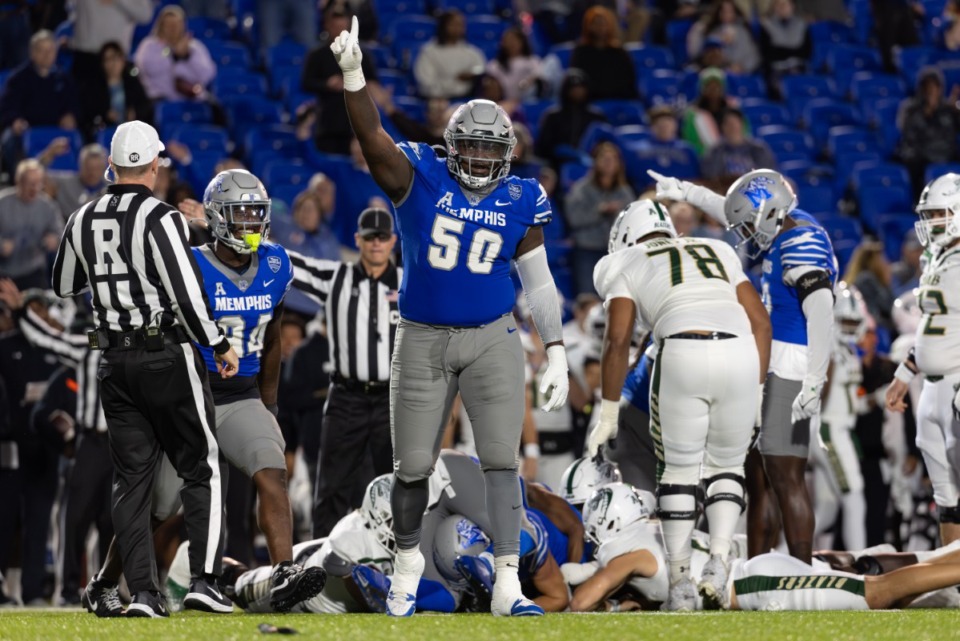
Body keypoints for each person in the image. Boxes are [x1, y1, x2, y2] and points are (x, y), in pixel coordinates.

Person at [331, 17, 570, 617]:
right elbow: (374, 140)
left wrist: (558, 348)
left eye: (494, 151)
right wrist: (355, 76)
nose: (483, 161)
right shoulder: (422, 174)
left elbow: (538, 283)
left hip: (493, 337)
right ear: (451, 145)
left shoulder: (522, 196)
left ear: (509, 154)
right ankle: (407, 563)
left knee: (501, 461)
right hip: (422, 336)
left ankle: (509, 581)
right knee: (411, 468)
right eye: (473, 147)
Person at [50, 120, 240, 618]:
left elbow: (64, 284)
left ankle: (146, 596)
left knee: (131, 481)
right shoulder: (162, 218)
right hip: (165, 354)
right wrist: (217, 342)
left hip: (113, 359)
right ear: (154, 166)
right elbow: (185, 292)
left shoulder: (81, 217)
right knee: (201, 465)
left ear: (112, 166)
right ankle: (204, 579)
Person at [587, 198, 771, 609]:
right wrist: (757, 392)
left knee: (679, 472)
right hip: (741, 351)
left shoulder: (623, 261)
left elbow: (617, 340)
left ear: (623, 240)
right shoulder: (717, 248)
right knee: (727, 465)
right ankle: (720, 562)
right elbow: (760, 322)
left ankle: (681, 583)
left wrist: (609, 410)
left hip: (683, 350)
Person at [648, 168, 837, 564]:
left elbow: (821, 312)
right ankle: (756, 570)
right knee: (759, 480)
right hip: (770, 358)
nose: (746, 235)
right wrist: (687, 190)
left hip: (793, 363)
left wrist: (814, 381)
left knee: (786, 477)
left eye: (751, 225)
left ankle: (803, 574)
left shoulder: (803, 241)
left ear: (771, 214)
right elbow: (733, 210)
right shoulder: (788, 221)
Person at [286, 207, 400, 538]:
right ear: (358, 240)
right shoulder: (337, 277)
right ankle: (322, 568)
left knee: (397, 488)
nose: (376, 244)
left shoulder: (409, 284)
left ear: (392, 241)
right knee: (331, 487)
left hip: (392, 400)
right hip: (346, 397)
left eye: (382, 237)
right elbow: (288, 261)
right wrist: (233, 231)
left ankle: (397, 567)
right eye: (369, 238)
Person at [0, 280, 110, 606]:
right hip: (93, 440)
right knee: (75, 519)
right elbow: (52, 338)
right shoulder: (98, 340)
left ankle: (116, 588)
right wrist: (21, 311)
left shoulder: (149, 338)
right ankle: (68, 591)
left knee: (117, 521)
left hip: (130, 444)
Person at [886, 173, 960, 547]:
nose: (931, 223)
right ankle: (954, 579)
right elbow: (932, 325)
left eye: (938, 215)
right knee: (947, 499)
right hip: (930, 388)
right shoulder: (936, 258)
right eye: (929, 215)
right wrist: (904, 372)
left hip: (957, 383)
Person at [811, 283, 868, 551]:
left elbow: (850, 402)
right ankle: (861, 563)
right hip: (829, 429)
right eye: (844, 320)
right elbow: (821, 391)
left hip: (840, 427)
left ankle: (791, 557)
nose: (848, 327)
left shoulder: (848, 352)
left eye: (852, 322)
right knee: (854, 497)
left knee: (827, 510)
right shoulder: (830, 347)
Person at [302, 4, 381, 155]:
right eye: (335, 26)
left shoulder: (361, 54)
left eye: (342, 26)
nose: (339, 30)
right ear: (327, 26)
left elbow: (373, 83)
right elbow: (306, 82)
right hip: (328, 123)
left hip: (356, 124)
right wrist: (327, 84)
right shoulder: (317, 55)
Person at [565, 142, 636, 296]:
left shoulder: (625, 192)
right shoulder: (581, 189)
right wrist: (599, 211)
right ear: (595, 162)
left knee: (616, 297)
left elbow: (632, 222)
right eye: (604, 159)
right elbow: (574, 219)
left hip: (615, 253)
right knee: (587, 297)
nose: (609, 163)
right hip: (587, 250)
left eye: (613, 159)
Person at [0, 158, 63, 289]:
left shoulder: (48, 206)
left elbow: (61, 235)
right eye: (30, 184)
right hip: (3, 271)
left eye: (38, 184)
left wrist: (54, 240)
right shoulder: (2, 202)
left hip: (33, 270)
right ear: (18, 182)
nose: (34, 189)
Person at [133, 5, 217, 103]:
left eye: (176, 24)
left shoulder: (194, 46)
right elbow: (148, 68)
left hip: (191, 98)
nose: (173, 28)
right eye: (169, 25)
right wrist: (174, 56)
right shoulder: (149, 45)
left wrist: (187, 56)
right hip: (159, 99)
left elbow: (207, 74)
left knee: (214, 106)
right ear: (161, 26)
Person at [80, 41, 153, 138]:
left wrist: (134, 113)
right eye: (108, 59)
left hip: (131, 131)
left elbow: (145, 105)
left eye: (116, 58)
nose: (113, 63)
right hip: (106, 131)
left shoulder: (132, 83)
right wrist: (106, 113)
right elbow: (89, 110)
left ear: (123, 61)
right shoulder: (94, 86)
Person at [413, 10, 486, 100]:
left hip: (465, 100)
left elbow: (481, 70)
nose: (457, 28)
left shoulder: (472, 52)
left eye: (460, 25)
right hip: (435, 100)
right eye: (453, 24)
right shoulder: (429, 51)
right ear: (443, 26)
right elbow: (426, 82)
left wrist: (472, 75)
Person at [569, 6, 638, 100]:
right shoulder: (581, 52)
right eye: (596, 23)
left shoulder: (619, 52)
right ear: (588, 25)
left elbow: (629, 81)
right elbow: (576, 79)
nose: (600, 27)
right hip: (590, 101)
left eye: (603, 24)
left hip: (618, 100)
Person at [700, 108, 776, 182]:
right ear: (722, 127)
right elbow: (711, 177)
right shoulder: (715, 152)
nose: (732, 127)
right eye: (728, 124)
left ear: (742, 124)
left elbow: (768, 175)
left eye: (735, 123)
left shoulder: (758, 149)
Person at [42, 142, 108, 219]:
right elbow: (35, 174)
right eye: (88, 168)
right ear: (80, 166)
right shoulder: (66, 183)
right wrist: (50, 153)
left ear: (104, 168)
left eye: (97, 168)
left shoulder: (112, 191)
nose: (92, 173)